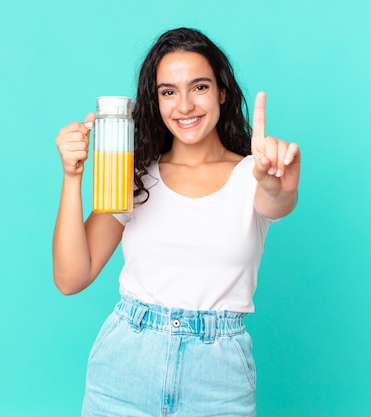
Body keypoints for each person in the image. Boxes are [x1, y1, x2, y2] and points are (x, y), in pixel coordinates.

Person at [53, 27, 300, 417]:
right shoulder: (132, 176)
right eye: (168, 91)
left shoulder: (255, 174)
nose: (184, 105)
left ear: (222, 91)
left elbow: (278, 199)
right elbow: (71, 278)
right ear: (156, 101)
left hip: (217, 378)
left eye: (199, 87)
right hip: (124, 370)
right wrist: (72, 177)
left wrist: (277, 184)